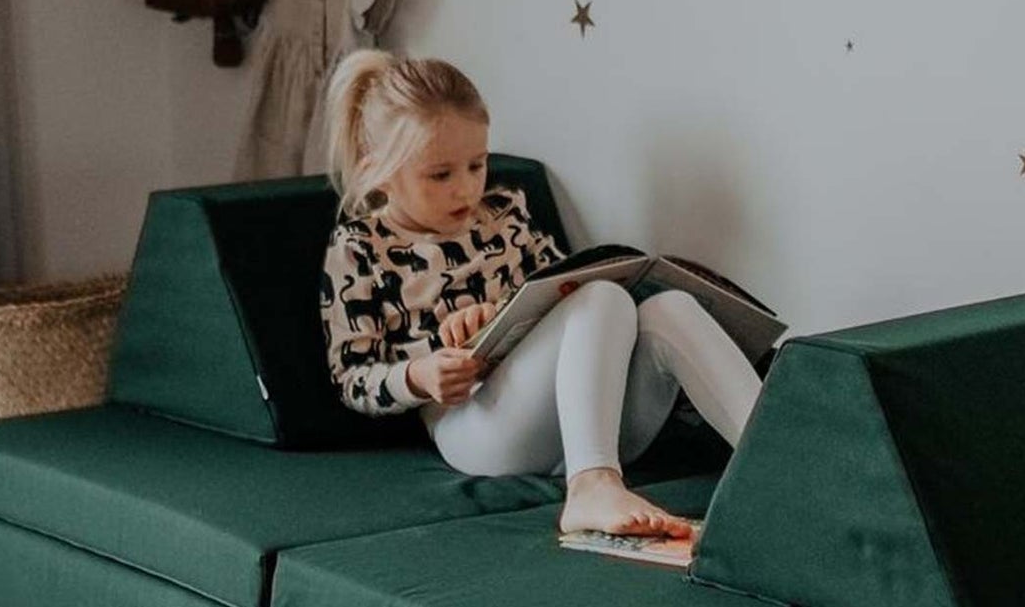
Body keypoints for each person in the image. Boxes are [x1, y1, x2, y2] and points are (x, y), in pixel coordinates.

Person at [320, 52, 762, 539]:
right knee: (601, 300)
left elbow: (561, 296)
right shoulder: (360, 248)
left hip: (579, 417)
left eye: (477, 164)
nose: (466, 188)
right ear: (378, 172)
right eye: (440, 174)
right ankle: (592, 486)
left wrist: (510, 317)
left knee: (668, 308)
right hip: (474, 425)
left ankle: (788, 465)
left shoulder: (506, 215)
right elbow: (351, 377)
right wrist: (419, 376)